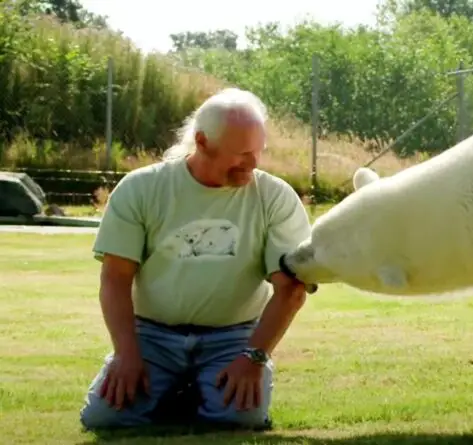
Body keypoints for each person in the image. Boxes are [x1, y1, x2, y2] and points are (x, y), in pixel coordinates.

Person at [78, 87, 312, 430]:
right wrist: (127, 354)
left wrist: (254, 357)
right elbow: (115, 279)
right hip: (152, 336)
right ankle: (181, 390)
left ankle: (189, 392)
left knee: (238, 419)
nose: (253, 163)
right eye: (242, 153)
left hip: (235, 338)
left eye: (259, 151)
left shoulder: (275, 198)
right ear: (202, 142)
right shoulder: (140, 189)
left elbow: (291, 289)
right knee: (105, 419)